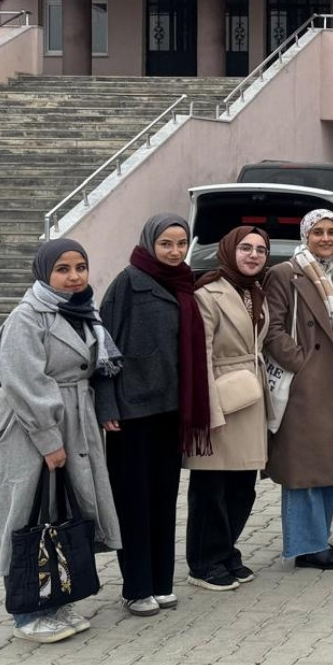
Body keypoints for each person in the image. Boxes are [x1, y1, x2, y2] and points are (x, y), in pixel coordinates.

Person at [0, 239, 123, 643]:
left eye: (80, 267)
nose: (73, 276)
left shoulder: (84, 310)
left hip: (75, 415)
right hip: (31, 426)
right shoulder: (27, 317)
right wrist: (49, 440)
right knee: (27, 513)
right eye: (63, 269)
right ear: (44, 272)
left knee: (61, 509)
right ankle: (26, 608)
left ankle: (55, 595)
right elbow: (23, 381)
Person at [98, 214, 210, 618]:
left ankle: (161, 582)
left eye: (181, 243)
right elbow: (103, 349)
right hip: (131, 413)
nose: (175, 251)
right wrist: (107, 405)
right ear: (150, 243)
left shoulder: (184, 282)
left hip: (170, 409)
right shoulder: (129, 282)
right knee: (134, 503)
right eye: (166, 244)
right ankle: (136, 587)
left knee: (163, 499)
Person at [264, 208, 333, 571]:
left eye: (332, 232)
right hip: (304, 388)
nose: (325, 239)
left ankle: (317, 538)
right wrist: (301, 364)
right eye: (318, 232)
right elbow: (271, 328)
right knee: (303, 470)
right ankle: (306, 547)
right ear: (305, 236)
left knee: (327, 467)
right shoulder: (284, 274)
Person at [183, 225, 271, 591]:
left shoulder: (255, 291)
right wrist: (208, 411)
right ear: (229, 250)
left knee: (242, 484)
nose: (253, 255)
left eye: (261, 250)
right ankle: (203, 562)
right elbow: (199, 354)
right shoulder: (207, 292)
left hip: (250, 396)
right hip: (219, 395)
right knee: (210, 486)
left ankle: (225, 551)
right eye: (246, 248)